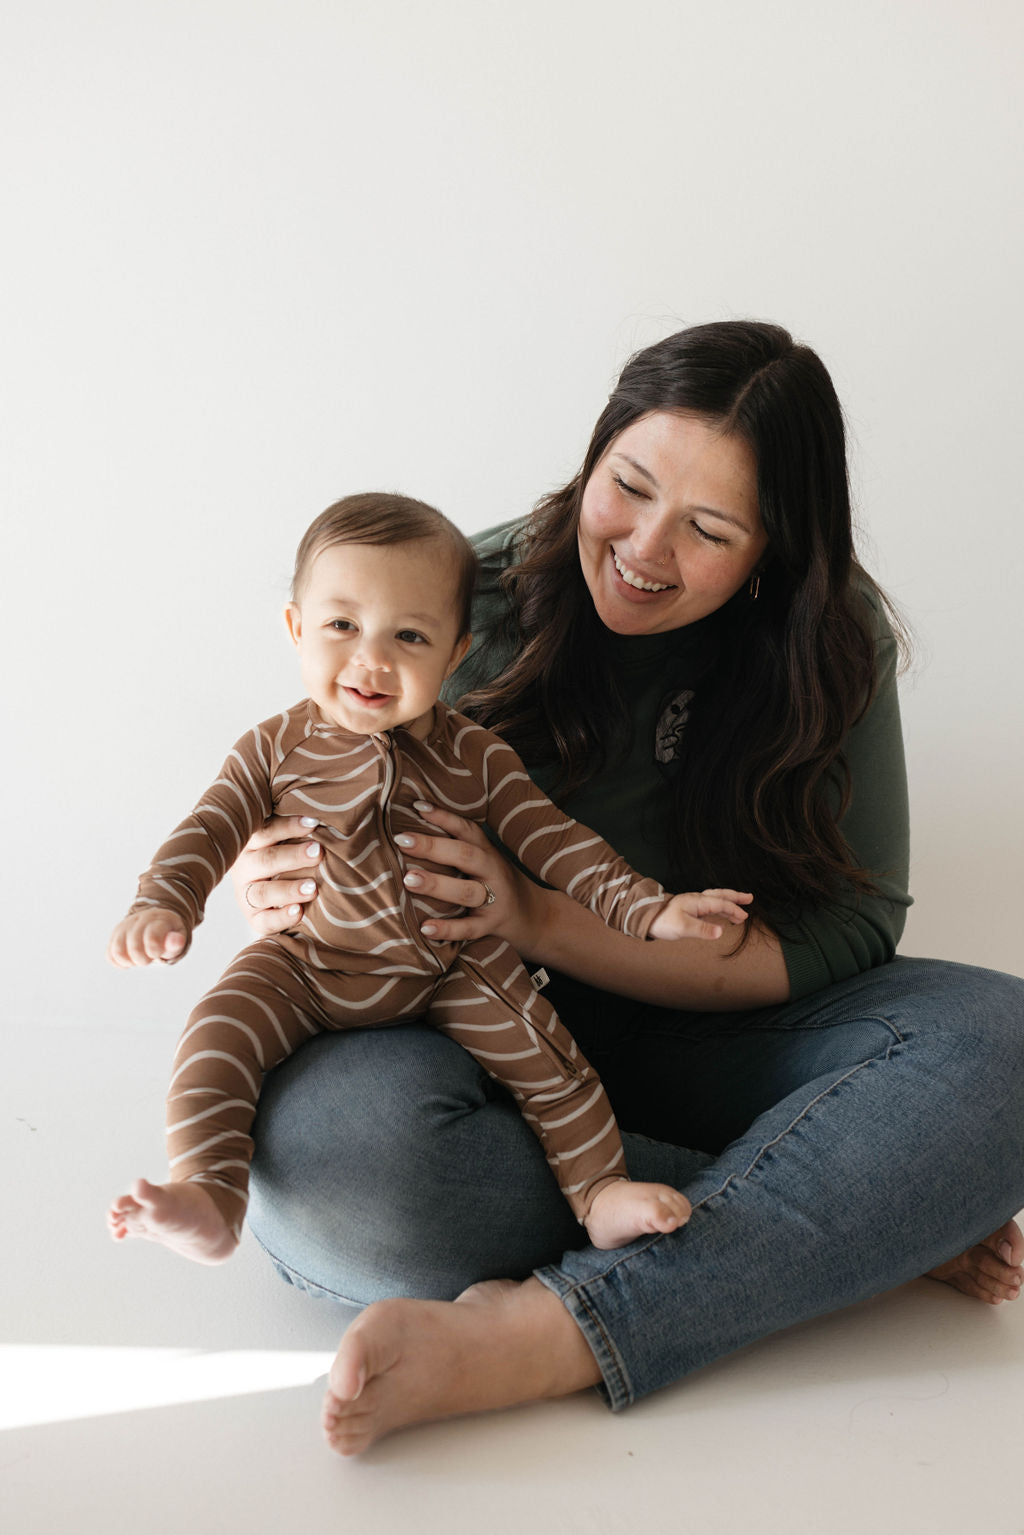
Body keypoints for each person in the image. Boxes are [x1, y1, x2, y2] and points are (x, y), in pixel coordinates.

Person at [231, 322, 1024, 1458]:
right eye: (629, 487)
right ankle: (860, 1211)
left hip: (711, 1031)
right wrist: (277, 877)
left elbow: (853, 924)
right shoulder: (464, 599)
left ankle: (553, 1332)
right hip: (475, 1035)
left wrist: (538, 912)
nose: (644, 548)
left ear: (773, 552)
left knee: (1004, 1044)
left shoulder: (830, 635)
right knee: (340, 1167)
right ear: (593, 452)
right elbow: (309, 774)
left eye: (708, 529)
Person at [106, 492, 752, 1263]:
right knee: (216, 1034)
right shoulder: (272, 747)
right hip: (304, 964)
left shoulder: (474, 755)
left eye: (409, 635)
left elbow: (558, 844)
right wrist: (162, 901)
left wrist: (652, 910)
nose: (371, 659)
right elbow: (209, 829)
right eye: (342, 625)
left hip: (447, 963)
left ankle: (599, 1191)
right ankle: (210, 1193)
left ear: (453, 655)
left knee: (549, 1056)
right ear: (295, 629)